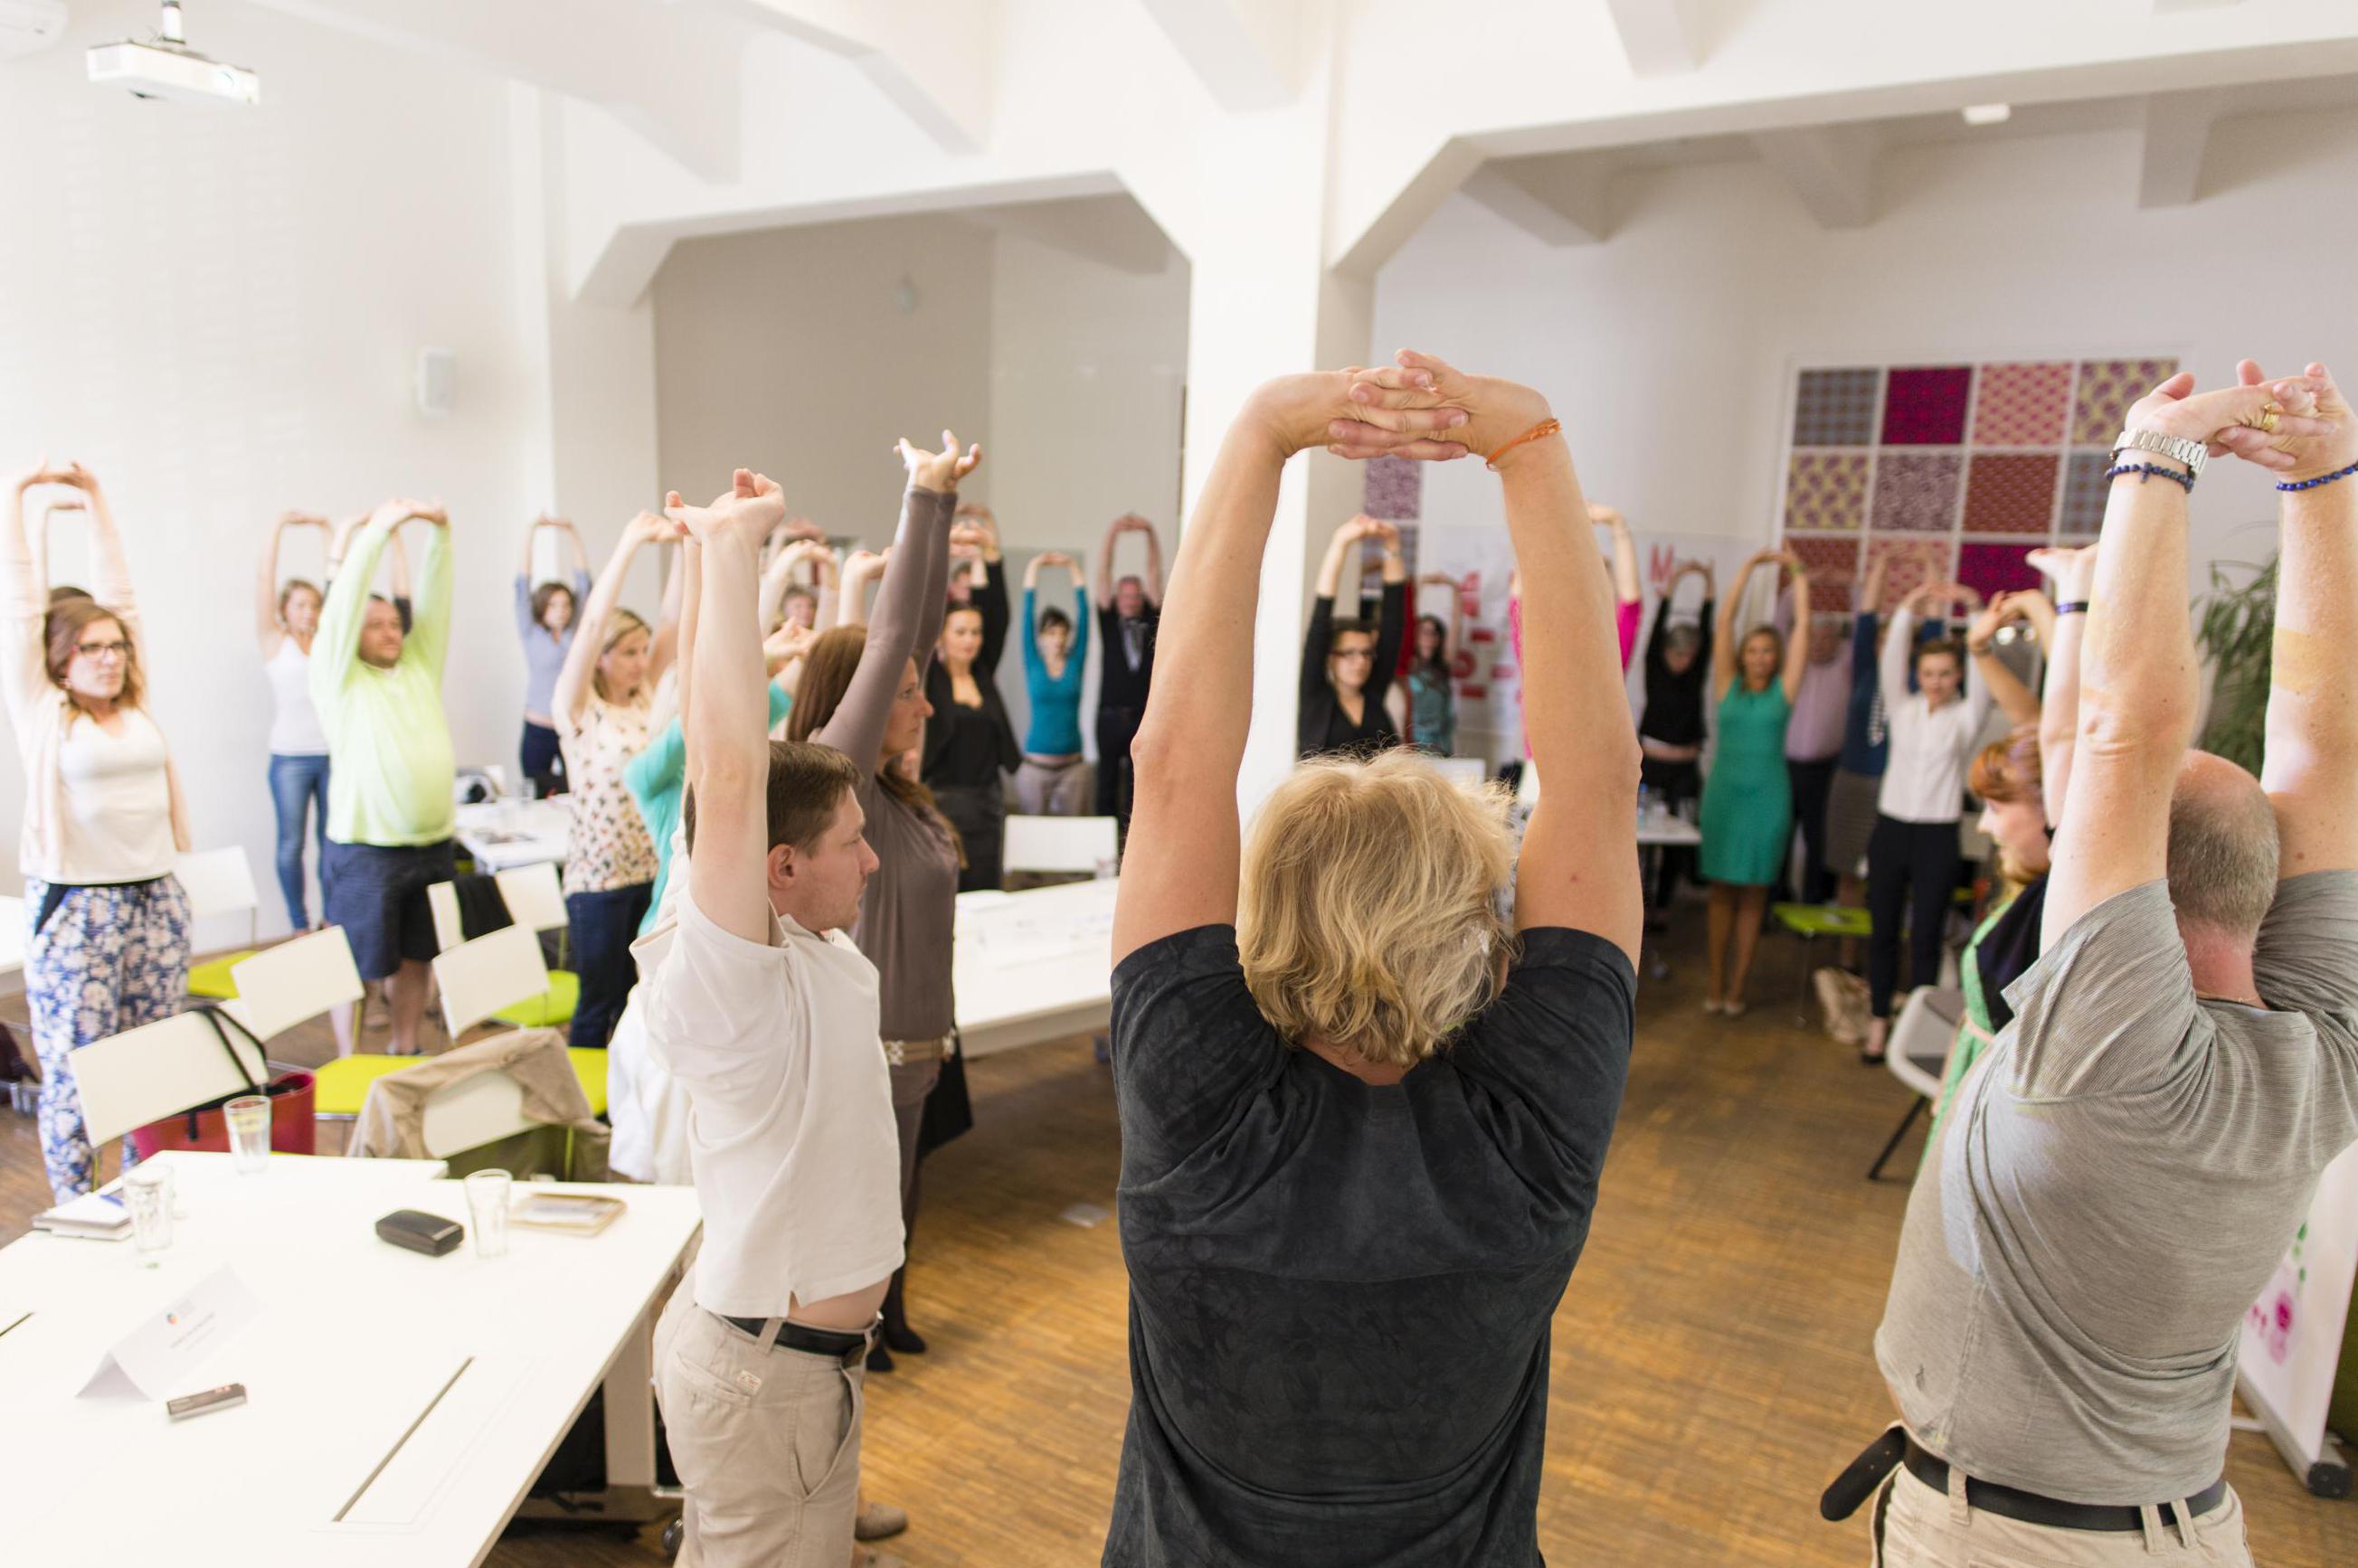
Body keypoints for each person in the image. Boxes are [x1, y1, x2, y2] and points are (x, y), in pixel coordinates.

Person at [1103, 350, 1640, 1566]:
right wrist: (1526, 444)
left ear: (1259, 919)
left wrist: (1258, 433)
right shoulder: (1533, 1125)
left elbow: (1175, 760)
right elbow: (1598, 788)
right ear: (1480, 933)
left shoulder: (1192, 1100)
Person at [1857, 363, 2358, 1566]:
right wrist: (2316, 479)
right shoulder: (2316, 1048)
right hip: (2184, 1528)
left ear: (2143, 890)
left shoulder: (2114, 1043)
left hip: (2008, 1543)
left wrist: (2152, 452)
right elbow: (2323, 749)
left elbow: (2125, 732)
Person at [638, 467, 906, 1568]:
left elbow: (728, 764)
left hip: (786, 1365)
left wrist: (704, 552)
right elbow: (726, 768)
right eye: (851, 840)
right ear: (780, 866)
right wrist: (743, 546)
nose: (872, 856)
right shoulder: (732, 979)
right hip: (764, 1371)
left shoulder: (809, 951)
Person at [789, 430, 979, 1373]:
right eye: (905, 694)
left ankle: (887, 1315)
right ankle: (855, 1336)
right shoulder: (843, 780)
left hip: (919, 1044)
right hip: (868, 1053)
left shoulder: (902, 802)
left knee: (902, 1202)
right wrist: (924, 498)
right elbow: (899, 631)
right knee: (866, 1213)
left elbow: (917, 641)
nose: (923, 704)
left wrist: (940, 501)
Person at [5, 460, 193, 1201]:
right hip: (78, 908)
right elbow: (20, 606)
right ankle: (77, 1211)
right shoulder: (42, 711)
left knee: (155, 1066)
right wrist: (18, 497)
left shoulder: (136, 702)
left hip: (155, 898)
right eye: (91, 648)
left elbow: (123, 595)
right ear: (59, 658)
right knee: (80, 1075)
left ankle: (144, 1196)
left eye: (116, 646)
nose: (110, 657)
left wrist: (98, 501)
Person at [1861, 576, 2031, 1062]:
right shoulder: (1903, 708)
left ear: (1956, 676)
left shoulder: (1965, 717)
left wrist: (1977, 608)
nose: (1935, 681)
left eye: (1944, 673)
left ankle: (1922, 1030)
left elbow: (1982, 674)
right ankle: (1877, 1022)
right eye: (1928, 672)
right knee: (1883, 930)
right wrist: (1908, 610)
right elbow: (1889, 662)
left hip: (1937, 836)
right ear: (1918, 675)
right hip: (1891, 831)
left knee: (1928, 933)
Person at [313, 496, 456, 1058]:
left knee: (418, 953)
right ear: (353, 635)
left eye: (395, 622)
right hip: (366, 849)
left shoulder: (420, 666)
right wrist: (375, 532)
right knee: (355, 962)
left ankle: (405, 1046)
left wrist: (441, 538)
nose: (390, 631)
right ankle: (350, 1060)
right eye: (374, 626)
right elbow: (343, 604)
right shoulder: (339, 679)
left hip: (430, 845)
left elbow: (437, 606)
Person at [552, 510, 681, 1051]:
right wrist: (629, 543)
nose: (639, 661)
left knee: (645, 1000)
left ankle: (631, 1111)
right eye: (627, 652)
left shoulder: (648, 698)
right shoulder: (578, 712)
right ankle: (587, 1124)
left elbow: (674, 624)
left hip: (650, 874)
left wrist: (686, 548)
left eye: (641, 651)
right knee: (598, 1007)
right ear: (601, 659)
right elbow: (588, 626)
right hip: (599, 886)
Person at [1696, 549, 1812, 1016]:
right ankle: (1716, 984)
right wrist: (1747, 569)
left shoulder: (1785, 690)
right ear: (1743, 656)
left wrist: (1798, 572)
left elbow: (1803, 628)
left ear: (1776, 656)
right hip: (1724, 796)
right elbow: (1724, 623)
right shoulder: (1727, 685)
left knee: (1754, 895)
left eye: (1768, 650)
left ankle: (1738, 989)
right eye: (1753, 649)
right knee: (1721, 891)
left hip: (1768, 799)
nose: (1760, 656)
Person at [921, 508, 1018, 892]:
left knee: (987, 890)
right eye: (960, 632)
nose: (970, 640)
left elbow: (998, 611)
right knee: (946, 892)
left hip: (987, 806)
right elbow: (923, 608)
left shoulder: (982, 672)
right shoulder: (931, 678)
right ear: (942, 637)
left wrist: (988, 551)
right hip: (942, 805)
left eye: (975, 632)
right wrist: (939, 550)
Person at [256, 510, 333, 930]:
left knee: (332, 844)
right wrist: (277, 529)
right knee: (291, 846)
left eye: (315, 604)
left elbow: (339, 586)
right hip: (290, 758)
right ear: (285, 608)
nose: (309, 611)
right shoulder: (274, 641)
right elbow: (263, 582)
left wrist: (325, 532)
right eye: (300, 604)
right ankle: (298, 923)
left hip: (331, 755)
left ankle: (330, 919)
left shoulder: (327, 642)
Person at [1637, 559, 1713, 917]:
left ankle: (1664, 905)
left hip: (1683, 768)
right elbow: (1655, 630)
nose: (1681, 660)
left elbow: (1708, 634)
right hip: (1651, 765)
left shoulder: (1695, 675)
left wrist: (1708, 584)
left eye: (1687, 655)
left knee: (1679, 842)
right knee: (1639, 838)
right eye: (1675, 652)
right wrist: (1673, 585)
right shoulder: (1655, 667)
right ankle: (1638, 904)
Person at [1298, 514, 1407, 757]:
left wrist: (1392, 545)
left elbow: (1393, 620)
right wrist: (1340, 544)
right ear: (1331, 658)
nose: (1361, 661)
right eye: (1349, 653)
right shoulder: (1316, 696)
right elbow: (1320, 617)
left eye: (1367, 653)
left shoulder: (1374, 693)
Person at [1776, 587, 1852, 904]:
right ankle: (1775, 899)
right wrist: (1799, 587)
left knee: (1818, 837)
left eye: (1827, 638)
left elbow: (1861, 629)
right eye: (1814, 638)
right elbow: (1781, 624)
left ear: (1838, 641)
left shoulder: (1845, 668)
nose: (1819, 644)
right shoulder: (1793, 667)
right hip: (1783, 766)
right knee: (1779, 835)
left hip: (1824, 769)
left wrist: (1851, 586)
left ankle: (1813, 900)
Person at [1094, 512, 1163, 831]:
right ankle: (1102, 851)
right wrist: (1112, 534)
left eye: (1136, 595)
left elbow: (1155, 575)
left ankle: (1130, 850)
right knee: (1105, 785)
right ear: (1118, 598)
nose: (1132, 600)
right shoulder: (1108, 620)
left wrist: (1150, 535)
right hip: (1109, 716)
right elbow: (1104, 574)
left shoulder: (1151, 619)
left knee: (1137, 789)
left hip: (1141, 717)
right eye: (1126, 595)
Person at [516, 514, 591, 794]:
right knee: (535, 790)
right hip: (537, 727)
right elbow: (521, 585)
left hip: (571, 725)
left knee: (577, 789)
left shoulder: (576, 631)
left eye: (565, 604)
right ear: (542, 608)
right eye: (553, 605)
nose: (561, 610)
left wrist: (572, 532)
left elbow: (584, 584)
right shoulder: (530, 632)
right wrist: (531, 529)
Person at [1017, 549, 1091, 815]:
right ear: (1041, 636)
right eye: (1051, 632)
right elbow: (1027, 614)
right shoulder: (1033, 661)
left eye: (1062, 632)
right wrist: (1035, 566)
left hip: (1072, 767)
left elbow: (1085, 616)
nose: (1057, 639)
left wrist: (1072, 567)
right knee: (1033, 842)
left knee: (1072, 843)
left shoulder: (1075, 663)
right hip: (1036, 766)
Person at [1406, 571, 1464, 754]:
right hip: (1412, 742)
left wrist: (1454, 588)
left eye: (1433, 632)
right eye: (1423, 631)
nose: (1428, 637)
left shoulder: (1444, 664)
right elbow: (1407, 615)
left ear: (1439, 638)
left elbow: (1457, 624)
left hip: (1440, 743)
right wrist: (1420, 584)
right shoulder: (1409, 663)